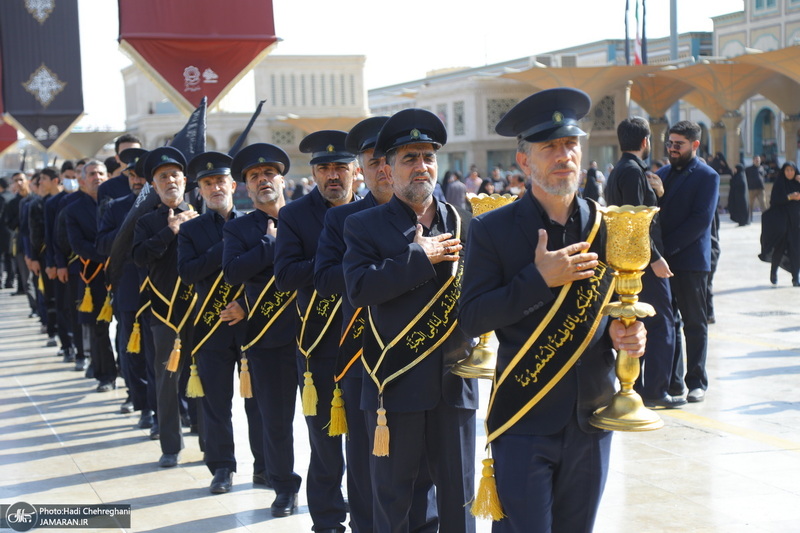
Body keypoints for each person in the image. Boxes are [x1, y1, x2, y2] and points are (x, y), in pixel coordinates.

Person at [459, 88, 647, 533]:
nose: (565, 156)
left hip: (592, 416)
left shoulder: (610, 226)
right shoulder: (492, 229)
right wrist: (537, 280)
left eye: (571, 144)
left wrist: (632, 337)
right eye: (550, 147)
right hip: (525, 414)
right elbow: (471, 318)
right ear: (525, 162)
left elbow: (628, 308)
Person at [342, 108, 478, 533]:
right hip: (394, 386)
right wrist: (419, 257)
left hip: (454, 384)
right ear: (387, 168)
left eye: (428, 157)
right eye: (409, 158)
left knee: (459, 501)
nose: (421, 167)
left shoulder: (462, 220)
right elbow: (359, 289)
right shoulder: (363, 225)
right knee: (396, 502)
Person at [315, 116, 436, 532]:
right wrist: (402, 261)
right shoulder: (347, 220)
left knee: (425, 470)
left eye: (388, 161)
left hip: (424, 352)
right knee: (373, 464)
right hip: (364, 353)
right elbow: (333, 280)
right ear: (364, 170)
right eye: (373, 161)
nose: (383, 170)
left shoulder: (434, 212)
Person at [274, 130, 357, 532]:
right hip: (318, 344)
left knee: (366, 442)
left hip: (367, 343)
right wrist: (333, 268)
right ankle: (326, 521)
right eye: (324, 168)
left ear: (354, 170)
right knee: (325, 445)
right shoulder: (294, 215)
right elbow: (286, 276)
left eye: (340, 166)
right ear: (314, 173)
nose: (333, 175)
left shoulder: (375, 208)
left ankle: (366, 515)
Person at [177, 151, 265, 494]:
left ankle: (265, 466)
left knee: (258, 402)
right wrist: (227, 243)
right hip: (209, 327)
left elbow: (267, 274)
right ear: (199, 190)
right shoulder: (191, 230)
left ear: (233, 184)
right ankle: (222, 467)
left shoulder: (256, 221)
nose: (215, 187)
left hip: (251, 323)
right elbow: (187, 273)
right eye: (207, 183)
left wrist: (244, 304)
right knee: (215, 403)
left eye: (220, 181)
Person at [223, 143, 303, 516]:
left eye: (268, 173)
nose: (262, 180)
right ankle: (283, 486)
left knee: (327, 420)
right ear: (245, 188)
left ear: (282, 178)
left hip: (313, 332)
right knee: (275, 420)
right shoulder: (239, 228)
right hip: (267, 338)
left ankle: (330, 483)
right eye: (254, 176)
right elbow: (233, 272)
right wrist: (271, 244)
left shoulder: (305, 217)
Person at [604, 117, 683, 408]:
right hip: (642, 260)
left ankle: (634, 385)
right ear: (645, 142)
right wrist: (657, 259)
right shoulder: (633, 172)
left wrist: (658, 194)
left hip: (628, 261)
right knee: (662, 324)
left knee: (634, 322)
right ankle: (656, 390)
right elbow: (635, 223)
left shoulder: (618, 171)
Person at [132, 146, 199, 468]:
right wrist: (170, 230)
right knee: (167, 378)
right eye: (162, 177)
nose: (170, 180)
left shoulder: (202, 214)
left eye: (174, 175)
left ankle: (205, 433)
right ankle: (171, 444)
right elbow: (139, 257)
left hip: (200, 308)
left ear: (184, 180)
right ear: (154, 186)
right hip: (162, 312)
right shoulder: (146, 222)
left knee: (203, 375)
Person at [655, 120, 720, 403]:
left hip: (691, 261)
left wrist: (666, 251)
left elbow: (700, 221)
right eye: (670, 144)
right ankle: (674, 383)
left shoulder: (707, 176)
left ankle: (697, 381)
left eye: (678, 145)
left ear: (695, 145)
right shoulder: (662, 174)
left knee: (694, 323)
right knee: (669, 324)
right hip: (664, 263)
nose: (672, 149)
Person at [96, 148, 155, 430]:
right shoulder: (117, 207)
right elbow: (104, 243)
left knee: (167, 353)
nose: (136, 180)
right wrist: (129, 227)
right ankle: (142, 404)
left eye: (141, 175)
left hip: (163, 289)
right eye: (132, 175)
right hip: (130, 287)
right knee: (133, 351)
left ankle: (173, 407)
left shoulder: (165, 204)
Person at [63, 161, 117, 392]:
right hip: (94, 275)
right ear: (82, 180)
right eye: (92, 174)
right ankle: (105, 374)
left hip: (122, 273)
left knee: (128, 328)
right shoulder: (72, 209)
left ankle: (129, 373)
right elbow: (78, 244)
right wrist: (105, 256)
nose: (97, 177)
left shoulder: (118, 204)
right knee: (99, 328)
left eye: (101, 173)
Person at [761, 161, 800, 286]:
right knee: (779, 250)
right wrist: (789, 197)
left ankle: (795, 278)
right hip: (782, 224)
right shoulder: (779, 183)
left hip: (796, 224)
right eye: (787, 170)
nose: (789, 173)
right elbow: (774, 201)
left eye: (792, 170)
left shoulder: (797, 183)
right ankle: (773, 273)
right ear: (783, 171)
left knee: (796, 251)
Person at [746, 155, 767, 223]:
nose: (757, 161)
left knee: (763, 203)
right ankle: (749, 218)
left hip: (761, 189)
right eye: (756, 159)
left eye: (758, 159)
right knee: (750, 205)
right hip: (751, 189)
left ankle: (766, 218)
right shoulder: (748, 169)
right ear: (753, 160)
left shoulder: (762, 168)